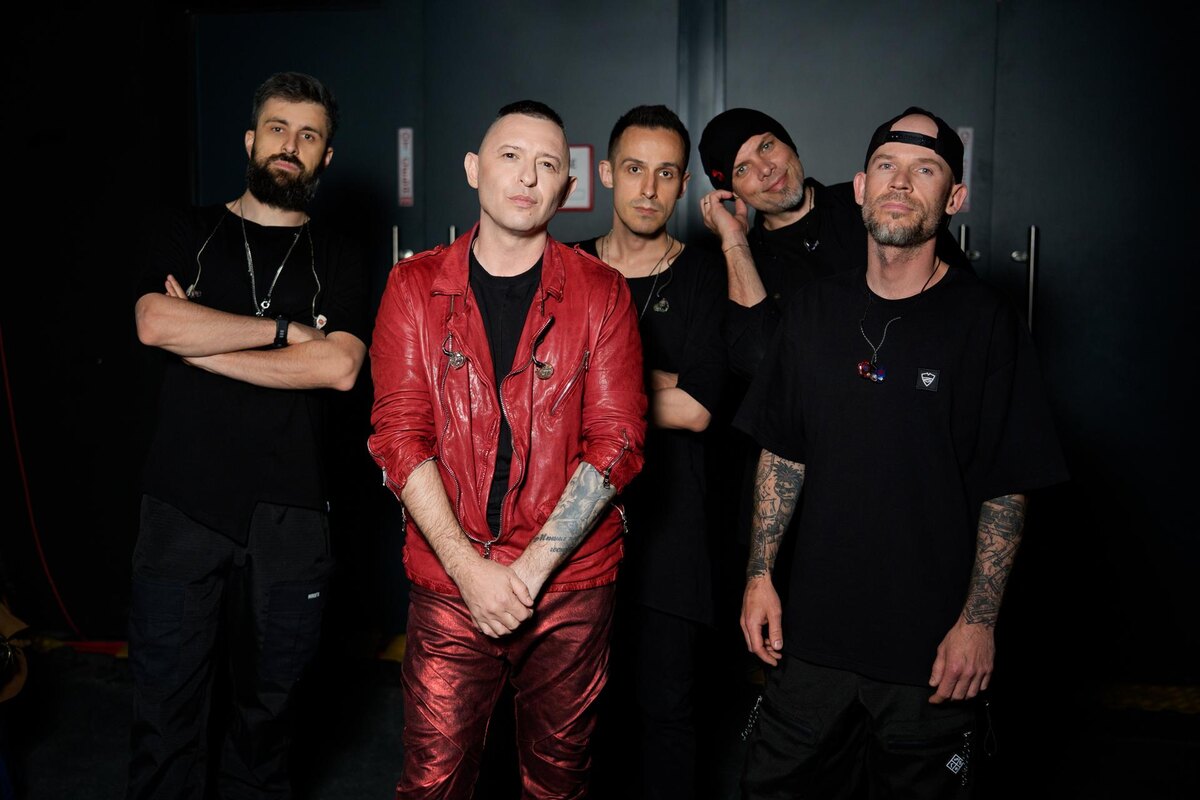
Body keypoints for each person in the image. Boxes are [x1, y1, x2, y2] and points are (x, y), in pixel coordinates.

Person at [731, 107, 1069, 798]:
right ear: (860, 187)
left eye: (926, 170)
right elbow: (783, 456)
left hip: (930, 652)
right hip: (812, 639)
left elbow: (1006, 489)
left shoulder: (987, 323)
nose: (900, 183)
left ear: (955, 198)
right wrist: (759, 575)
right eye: (886, 165)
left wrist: (979, 623)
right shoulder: (813, 311)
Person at [367, 100, 647, 799]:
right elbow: (399, 436)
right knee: (432, 782)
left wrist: (527, 574)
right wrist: (471, 572)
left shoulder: (603, 292)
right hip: (449, 580)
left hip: (570, 583)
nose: (527, 176)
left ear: (567, 188)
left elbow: (617, 441)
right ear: (473, 169)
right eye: (511, 156)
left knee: (557, 783)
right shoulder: (412, 286)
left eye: (548, 164)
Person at [129, 71, 368, 799]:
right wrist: (288, 333)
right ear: (249, 139)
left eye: (308, 135)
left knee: (270, 722)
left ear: (326, 156)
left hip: (293, 513)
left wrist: (202, 345)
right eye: (277, 129)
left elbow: (340, 368)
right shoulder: (190, 229)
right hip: (182, 504)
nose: (290, 146)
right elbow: (154, 322)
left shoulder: (342, 256)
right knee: (165, 714)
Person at [571, 105, 728, 800]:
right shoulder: (566, 266)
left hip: (670, 531)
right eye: (635, 169)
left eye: (666, 174)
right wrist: (653, 383)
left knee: (666, 712)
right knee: (577, 713)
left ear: (683, 184)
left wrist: (586, 392)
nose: (648, 188)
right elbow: (528, 391)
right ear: (607, 174)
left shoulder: (701, 275)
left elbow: (697, 407)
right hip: (571, 527)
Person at [696, 107, 970, 379]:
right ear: (731, 192)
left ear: (789, 145)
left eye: (766, 146)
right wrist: (734, 241)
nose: (765, 168)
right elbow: (760, 365)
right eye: (742, 169)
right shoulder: (739, 266)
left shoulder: (874, 203)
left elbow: (966, 306)